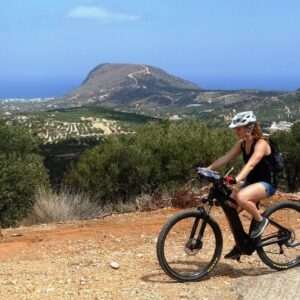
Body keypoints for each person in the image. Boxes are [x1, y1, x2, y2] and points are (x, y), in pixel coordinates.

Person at [207, 111, 277, 259]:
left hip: (267, 184)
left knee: (241, 197)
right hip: (252, 183)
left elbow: (251, 164)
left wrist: (237, 179)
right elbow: (226, 157)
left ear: (249, 128)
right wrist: (207, 169)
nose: (236, 131)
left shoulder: (262, 143)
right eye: (235, 128)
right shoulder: (242, 143)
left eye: (238, 128)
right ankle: (242, 244)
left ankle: (261, 220)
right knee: (230, 208)